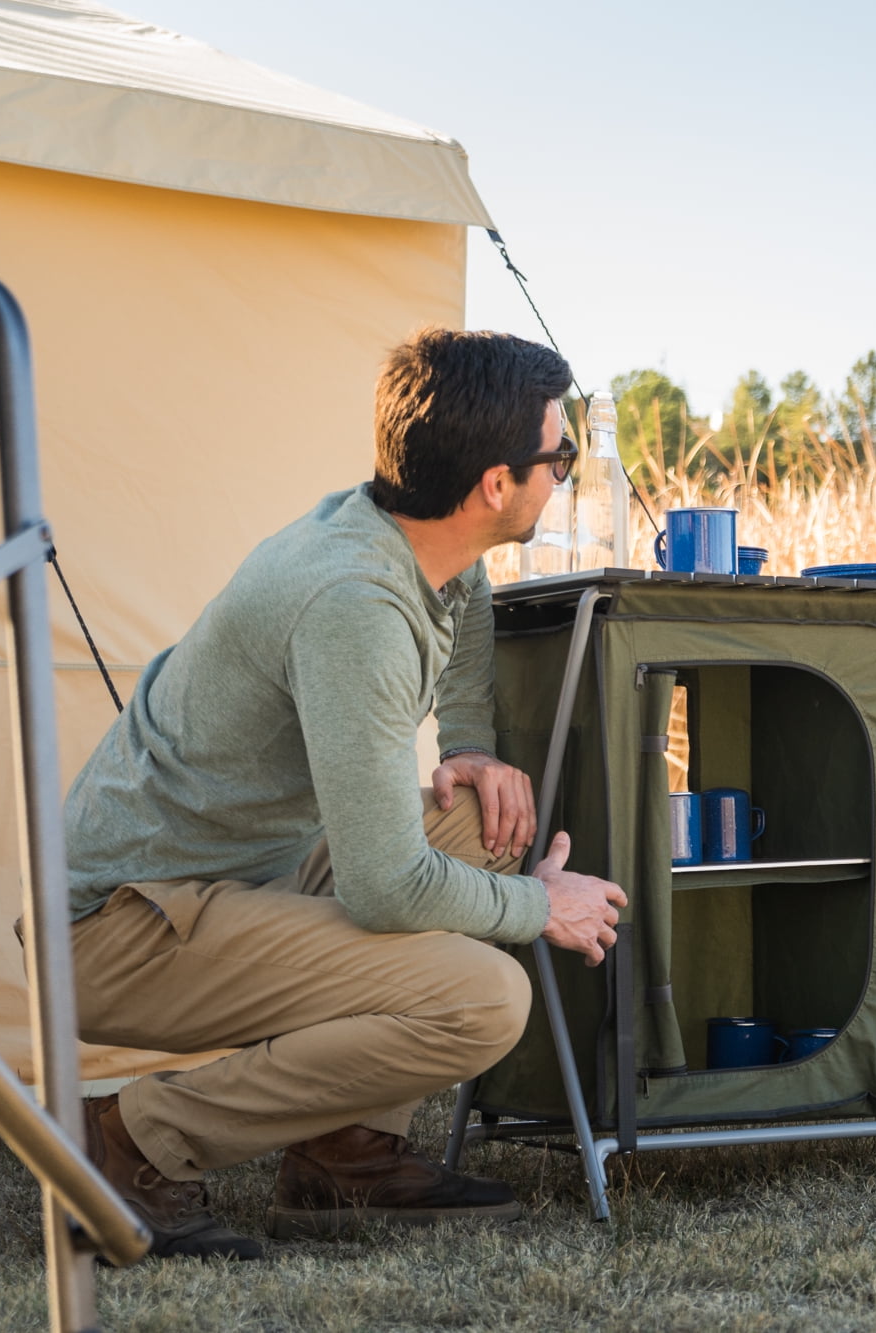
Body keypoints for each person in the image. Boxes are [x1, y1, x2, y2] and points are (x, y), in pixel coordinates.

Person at [61, 328, 628, 1258]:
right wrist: (540, 905)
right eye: (557, 455)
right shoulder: (353, 607)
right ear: (494, 484)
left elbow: (471, 596)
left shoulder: (406, 533)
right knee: (483, 998)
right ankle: (127, 1143)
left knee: (480, 822)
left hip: (241, 869)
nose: (565, 471)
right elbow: (384, 888)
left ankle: (341, 1154)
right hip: (117, 924)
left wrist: (472, 745)